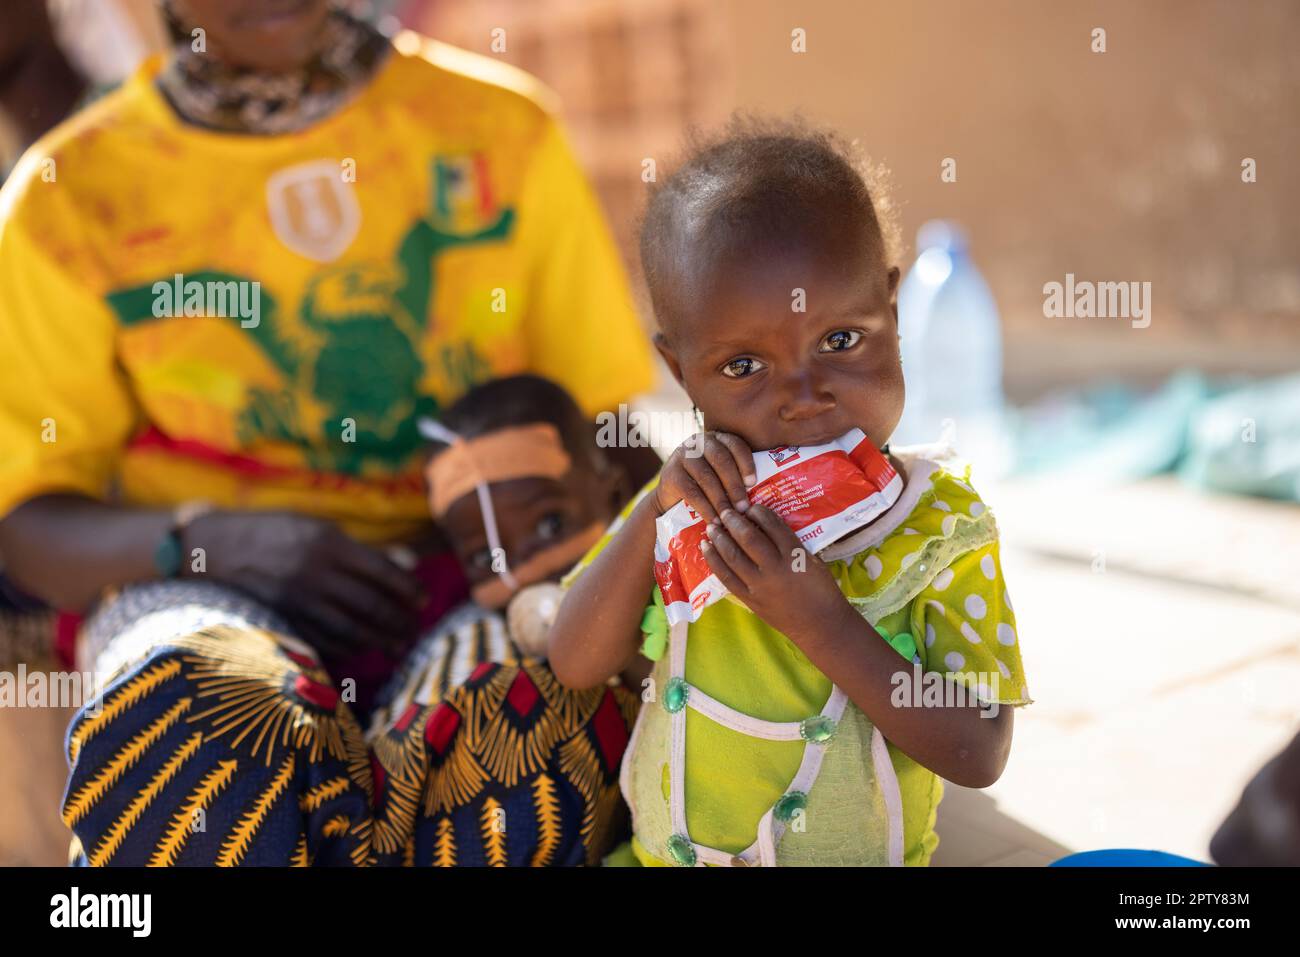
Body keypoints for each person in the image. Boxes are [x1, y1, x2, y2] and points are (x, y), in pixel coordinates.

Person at [0, 0, 656, 865]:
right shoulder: (71, 193)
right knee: (187, 731)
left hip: (476, 578)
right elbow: (25, 525)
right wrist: (209, 544)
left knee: (527, 731)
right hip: (198, 581)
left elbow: (604, 427)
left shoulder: (500, 130)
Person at [550, 117, 1033, 867]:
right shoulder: (692, 504)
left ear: (894, 317)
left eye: (841, 341)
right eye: (743, 366)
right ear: (681, 375)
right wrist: (653, 510)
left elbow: (979, 748)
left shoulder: (940, 525)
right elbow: (576, 660)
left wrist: (821, 621)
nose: (804, 398)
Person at [368, 375, 647, 865]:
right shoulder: (471, 639)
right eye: (484, 557)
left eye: (550, 525)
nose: (524, 572)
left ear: (614, 494)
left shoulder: (668, 578)